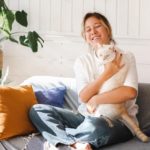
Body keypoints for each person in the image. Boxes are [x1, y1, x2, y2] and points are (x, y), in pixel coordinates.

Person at [29, 12, 138, 150]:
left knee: (97, 127)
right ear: (85, 37)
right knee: (37, 110)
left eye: (97, 26)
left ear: (108, 30)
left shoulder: (126, 56)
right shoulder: (82, 61)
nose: (93, 32)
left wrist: (95, 99)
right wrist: (108, 72)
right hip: (85, 118)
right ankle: (75, 144)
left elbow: (130, 92)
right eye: (88, 29)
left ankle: (58, 141)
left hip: (118, 122)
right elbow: (83, 97)